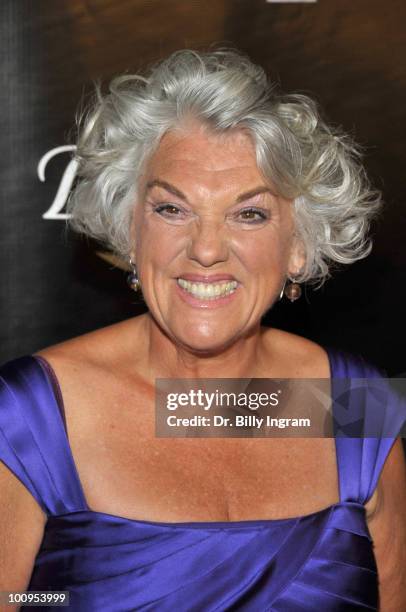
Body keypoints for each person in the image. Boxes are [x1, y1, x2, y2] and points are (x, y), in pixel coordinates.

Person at [1, 48, 405, 612]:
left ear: (298, 246)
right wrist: (66, 597)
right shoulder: (31, 417)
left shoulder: (350, 404)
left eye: (250, 214)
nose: (207, 250)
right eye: (172, 209)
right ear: (129, 227)